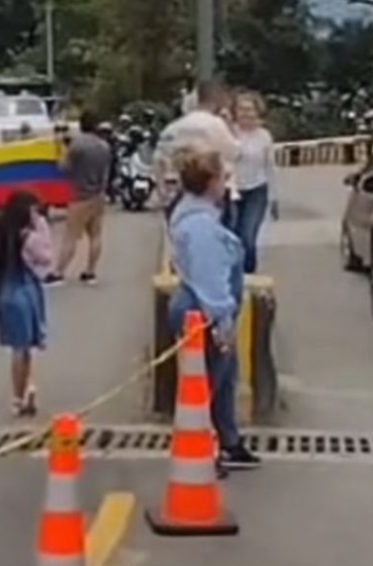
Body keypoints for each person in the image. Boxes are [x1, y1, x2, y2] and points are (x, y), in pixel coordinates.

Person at [167, 140, 261, 476]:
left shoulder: (192, 212)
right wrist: (222, 324)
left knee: (223, 381)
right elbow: (211, 281)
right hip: (202, 310)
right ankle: (199, 448)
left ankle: (229, 442)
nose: (226, 184)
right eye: (223, 178)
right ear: (210, 184)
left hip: (194, 303)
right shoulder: (202, 226)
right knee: (203, 384)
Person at [0, 191, 53, 417]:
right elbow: (45, 257)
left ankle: (24, 392)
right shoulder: (29, 237)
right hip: (25, 294)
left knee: (19, 347)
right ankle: (19, 395)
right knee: (23, 348)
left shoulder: (0, 233)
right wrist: (42, 226)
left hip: (5, 293)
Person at [45, 110, 112, 287]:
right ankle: (90, 272)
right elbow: (106, 175)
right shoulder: (104, 146)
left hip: (79, 196)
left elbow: (63, 168)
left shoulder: (77, 145)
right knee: (96, 235)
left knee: (71, 236)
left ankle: (58, 272)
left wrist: (60, 148)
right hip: (98, 196)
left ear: (81, 124)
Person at [156, 80, 240, 219]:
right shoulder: (217, 125)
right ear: (218, 99)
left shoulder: (174, 127)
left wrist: (163, 192)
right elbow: (234, 152)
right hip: (212, 193)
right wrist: (230, 126)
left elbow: (159, 159)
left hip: (178, 192)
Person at [228, 91, 275, 273]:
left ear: (257, 112)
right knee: (233, 236)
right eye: (241, 109)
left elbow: (270, 166)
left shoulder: (264, 136)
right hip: (232, 190)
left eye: (250, 110)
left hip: (256, 190)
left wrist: (274, 197)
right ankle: (233, 275)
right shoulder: (228, 133)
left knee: (248, 236)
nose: (246, 114)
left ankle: (248, 274)